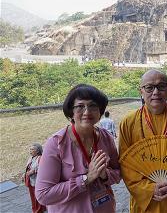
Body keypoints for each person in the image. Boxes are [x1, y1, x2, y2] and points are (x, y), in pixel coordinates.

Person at [35, 84, 121, 213]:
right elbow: (43, 195)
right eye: (80, 106)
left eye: (93, 106)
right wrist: (86, 179)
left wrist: (104, 175)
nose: (87, 112)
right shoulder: (56, 143)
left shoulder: (106, 137)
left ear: (100, 111)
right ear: (71, 111)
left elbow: (119, 173)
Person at [119, 69, 167, 213]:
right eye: (149, 87)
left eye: (161, 86)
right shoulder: (128, 123)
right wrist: (148, 189)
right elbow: (126, 165)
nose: (155, 92)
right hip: (146, 201)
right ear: (141, 91)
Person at [24, 143, 46, 213]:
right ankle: (35, 209)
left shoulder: (41, 158)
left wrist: (34, 171)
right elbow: (28, 167)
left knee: (37, 197)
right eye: (30, 149)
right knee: (32, 197)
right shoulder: (31, 158)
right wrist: (24, 174)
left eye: (32, 149)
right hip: (31, 181)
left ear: (37, 151)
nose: (30, 151)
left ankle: (39, 210)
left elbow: (43, 169)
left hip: (37, 181)